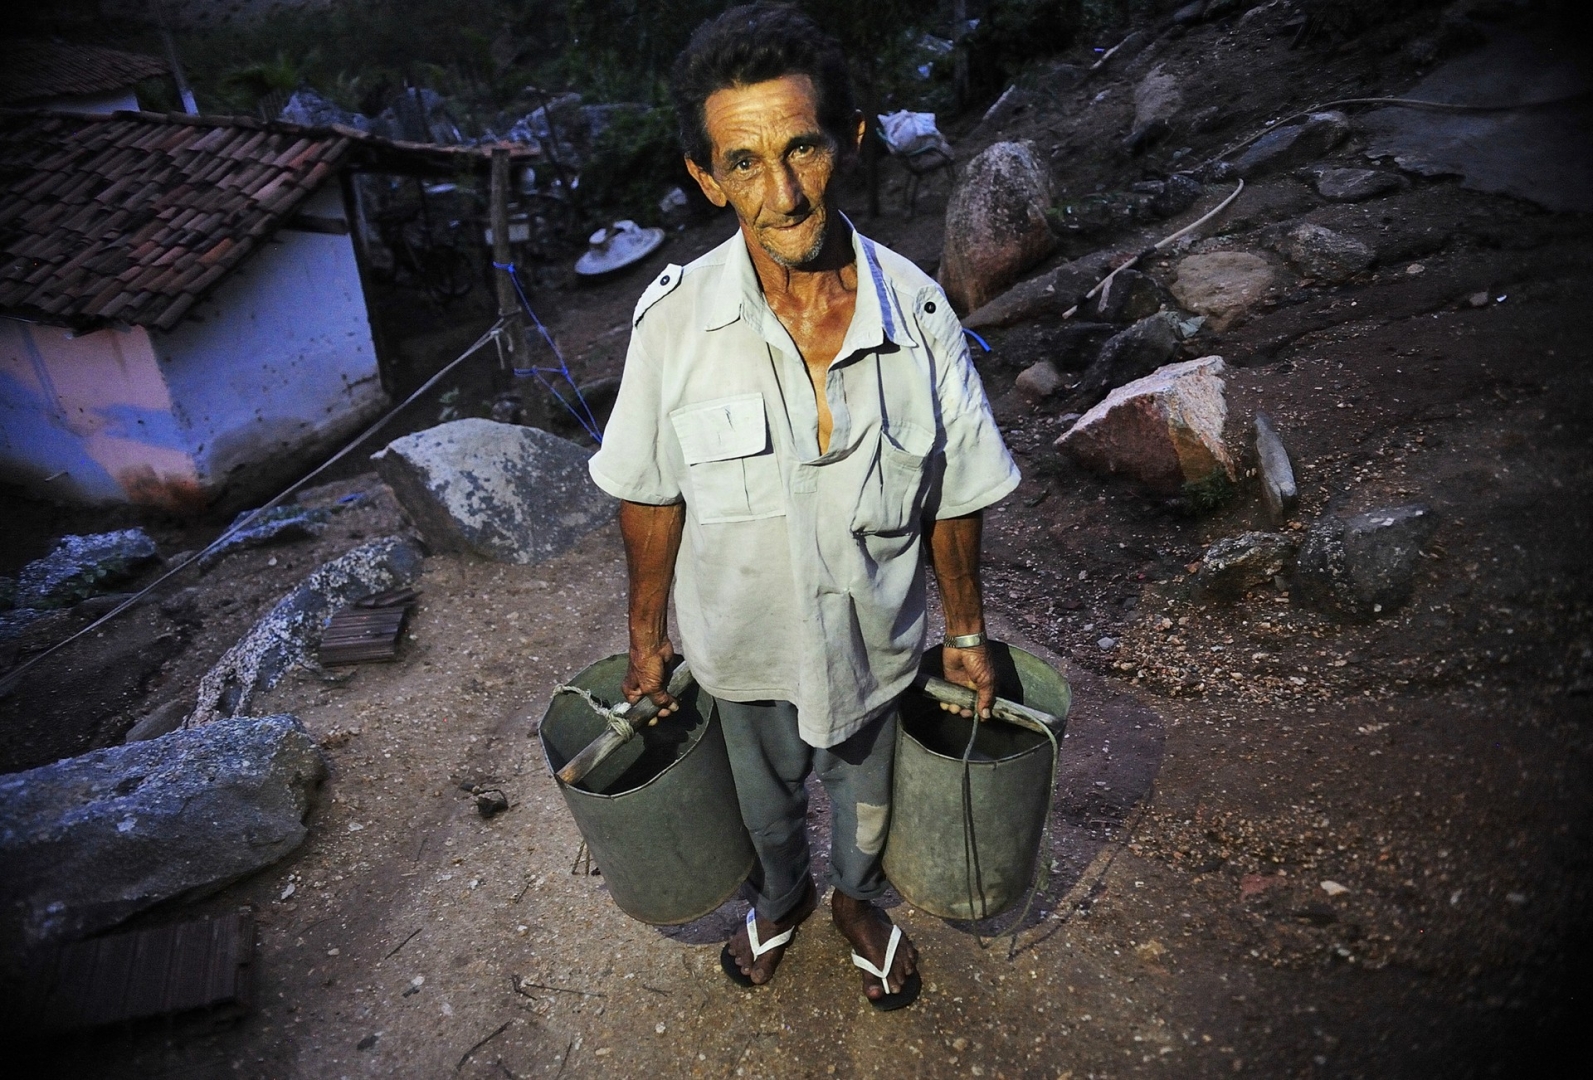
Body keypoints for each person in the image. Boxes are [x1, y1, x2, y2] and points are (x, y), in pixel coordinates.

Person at [587, 1, 1018, 1011]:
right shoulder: (674, 325)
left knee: (867, 802)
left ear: (850, 140)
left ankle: (859, 902)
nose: (780, 194)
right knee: (766, 808)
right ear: (706, 177)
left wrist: (965, 629)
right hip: (742, 650)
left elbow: (957, 490)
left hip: (875, 643)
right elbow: (648, 497)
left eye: (803, 150)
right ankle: (782, 895)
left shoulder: (917, 313)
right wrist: (646, 643)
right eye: (743, 163)